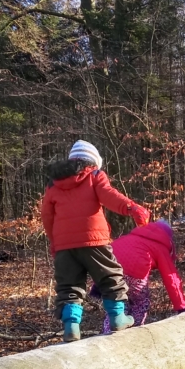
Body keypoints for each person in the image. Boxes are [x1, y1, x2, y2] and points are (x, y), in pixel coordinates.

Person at [41, 140, 151, 342]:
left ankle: (72, 326)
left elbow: (47, 216)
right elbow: (109, 196)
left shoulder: (53, 183)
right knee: (110, 276)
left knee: (69, 286)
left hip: (65, 246)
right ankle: (117, 317)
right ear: (93, 162)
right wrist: (132, 208)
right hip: (94, 239)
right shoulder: (94, 176)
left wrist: (54, 242)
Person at [95, 221, 185, 333]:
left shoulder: (128, 238)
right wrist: (182, 307)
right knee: (140, 302)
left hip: (109, 272)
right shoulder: (160, 246)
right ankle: (135, 332)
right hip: (134, 274)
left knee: (117, 304)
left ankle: (109, 334)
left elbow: (107, 257)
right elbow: (171, 279)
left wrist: (98, 285)